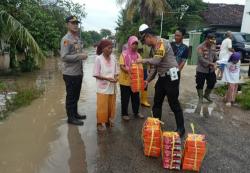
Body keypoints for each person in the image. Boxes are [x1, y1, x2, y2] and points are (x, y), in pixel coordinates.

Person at [137, 24, 185, 137]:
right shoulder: (154, 48)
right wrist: (147, 80)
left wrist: (142, 60)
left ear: (148, 36)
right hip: (163, 77)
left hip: (172, 76)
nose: (144, 43)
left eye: (144, 40)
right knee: (157, 102)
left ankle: (181, 129)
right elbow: (155, 67)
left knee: (173, 103)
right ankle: (156, 125)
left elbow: (156, 61)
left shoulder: (162, 43)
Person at [60, 15, 88, 126]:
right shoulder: (66, 39)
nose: (76, 25)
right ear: (67, 24)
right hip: (70, 74)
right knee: (71, 96)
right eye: (73, 23)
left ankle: (75, 114)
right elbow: (64, 57)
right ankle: (70, 118)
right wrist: (80, 56)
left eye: (77, 23)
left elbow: (76, 52)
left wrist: (80, 56)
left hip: (78, 73)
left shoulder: (77, 38)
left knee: (76, 95)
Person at [93, 39, 118, 131]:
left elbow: (116, 72)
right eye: (109, 48)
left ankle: (108, 120)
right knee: (102, 105)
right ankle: (99, 122)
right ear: (103, 48)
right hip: (102, 87)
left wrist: (116, 78)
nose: (111, 50)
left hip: (112, 86)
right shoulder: (98, 59)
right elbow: (95, 74)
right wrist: (107, 79)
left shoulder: (114, 58)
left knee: (111, 105)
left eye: (112, 48)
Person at [118, 36, 144, 121]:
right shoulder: (123, 54)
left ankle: (136, 112)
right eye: (133, 43)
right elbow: (122, 66)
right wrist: (129, 71)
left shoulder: (138, 55)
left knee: (136, 98)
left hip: (135, 81)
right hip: (125, 81)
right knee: (125, 98)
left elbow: (140, 65)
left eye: (136, 44)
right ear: (129, 44)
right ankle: (124, 113)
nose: (135, 46)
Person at [196, 33, 218, 103]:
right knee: (200, 84)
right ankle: (200, 97)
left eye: (213, 41)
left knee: (212, 82)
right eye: (211, 41)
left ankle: (206, 95)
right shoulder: (200, 47)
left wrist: (217, 61)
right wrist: (211, 64)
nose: (212, 43)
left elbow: (215, 57)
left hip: (210, 70)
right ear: (206, 39)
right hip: (201, 69)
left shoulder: (213, 46)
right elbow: (201, 59)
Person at [137, 41, 151, 107]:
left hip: (145, 68)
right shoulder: (138, 42)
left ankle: (144, 100)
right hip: (137, 67)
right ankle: (134, 99)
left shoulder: (150, 45)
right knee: (136, 83)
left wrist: (149, 67)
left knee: (145, 83)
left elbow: (151, 57)